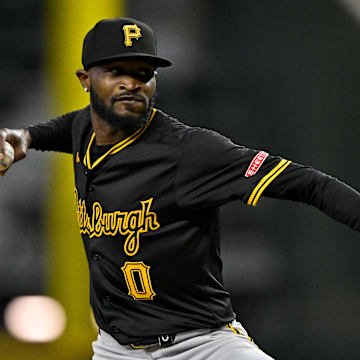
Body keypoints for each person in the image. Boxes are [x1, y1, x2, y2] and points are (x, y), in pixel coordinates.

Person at [0, 17, 359, 360]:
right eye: (116, 71)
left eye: (143, 73)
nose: (131, 83)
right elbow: (67, 128)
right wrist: (27, 137)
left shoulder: (190, 151)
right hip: (116, 347)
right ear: (85, 80)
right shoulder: (84, 129)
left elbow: (310, 184)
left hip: (200, 343)